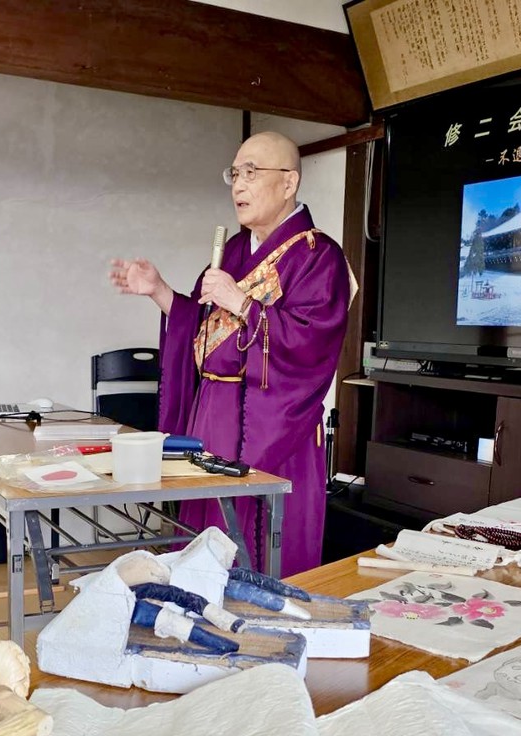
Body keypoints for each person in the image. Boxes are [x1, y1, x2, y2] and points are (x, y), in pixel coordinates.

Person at [108, 131, 352, 577]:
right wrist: (161, 293)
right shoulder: (236, 250)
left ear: (289, 182)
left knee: (251, 546)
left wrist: (242, 303)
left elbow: (311, 344)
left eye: (252, 172)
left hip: (270, 423)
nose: (238, 184)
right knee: (201, 542)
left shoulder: (318, 256)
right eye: (235, 173)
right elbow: (204, 331)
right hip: (212, 416)